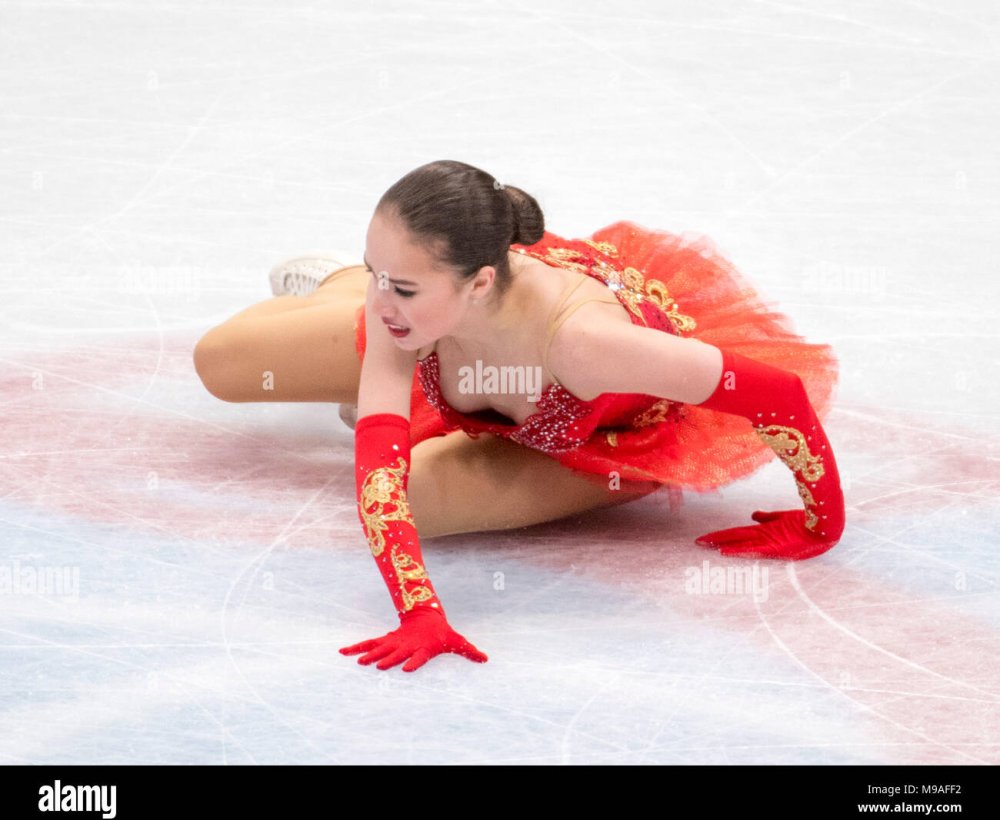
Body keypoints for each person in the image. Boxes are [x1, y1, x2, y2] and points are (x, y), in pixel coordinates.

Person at [193, 160, 845, 674]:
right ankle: (337, 287)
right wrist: (419, 611)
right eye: (374, 273)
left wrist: (822, 522)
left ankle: (374, 382)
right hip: (458, 345)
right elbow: (376, 465)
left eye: (402, 284)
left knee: (416, 499)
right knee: (218, 363)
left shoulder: (588, 346)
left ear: (478, 281)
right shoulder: (407, 307)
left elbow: (778, 393)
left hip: (585, 442)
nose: (381, 300)